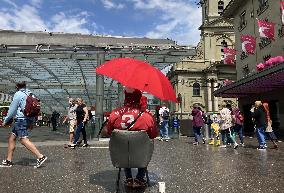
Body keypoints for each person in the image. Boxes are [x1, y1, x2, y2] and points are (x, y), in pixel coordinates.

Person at [107, 87, 158, 188]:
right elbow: (153, 135)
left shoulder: (114, 114)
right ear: (139, 98)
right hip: (141, 156)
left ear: (125, 98)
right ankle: (139, 178)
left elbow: (109, 132)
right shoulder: (147, 116)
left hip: (121, 156)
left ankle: (129, 177)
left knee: (124, 147)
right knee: (146, 145)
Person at [0, 81, 47, 168]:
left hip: (21, 120)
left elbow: (12, 110)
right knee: (12, 137)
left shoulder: (18, 94)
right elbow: (34, 109)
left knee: (23, 139)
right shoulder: (30, 93)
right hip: (28, 119)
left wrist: (5, 121)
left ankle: (40, 156)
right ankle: (8, 160)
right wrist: (31, 122)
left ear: (17, 86)